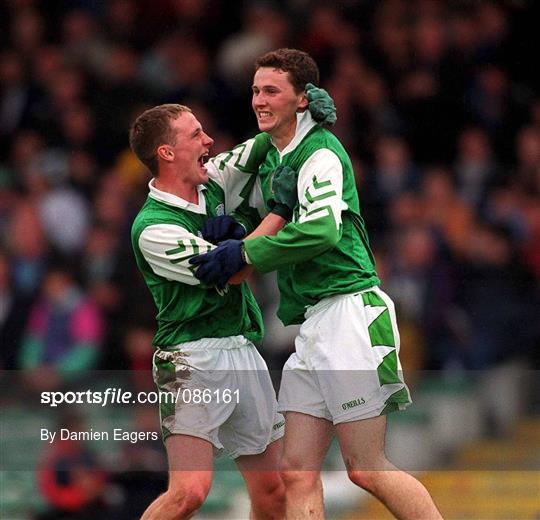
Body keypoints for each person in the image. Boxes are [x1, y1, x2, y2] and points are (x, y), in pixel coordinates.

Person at [191, 49, 442, 519]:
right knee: (296, 472)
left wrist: (246, 251)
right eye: (254, 91)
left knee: (366, 467)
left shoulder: (321, 152)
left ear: (302, 99)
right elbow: (211, 173)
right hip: (313, 324)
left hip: (350, 311)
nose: (259, 101)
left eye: (271, 91)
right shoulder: (272, 148)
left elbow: (323, 230)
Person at [129, 93, 335, 520]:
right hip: (191, 357)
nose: (209, 140)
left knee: (273, 490)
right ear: (167, 153)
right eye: (195, 135)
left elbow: (259, 144)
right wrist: (277, 211)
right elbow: (232, 269)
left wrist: (301, 112)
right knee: (189, 492)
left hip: (242, 349)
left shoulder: (212, 180)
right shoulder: (153, 228)